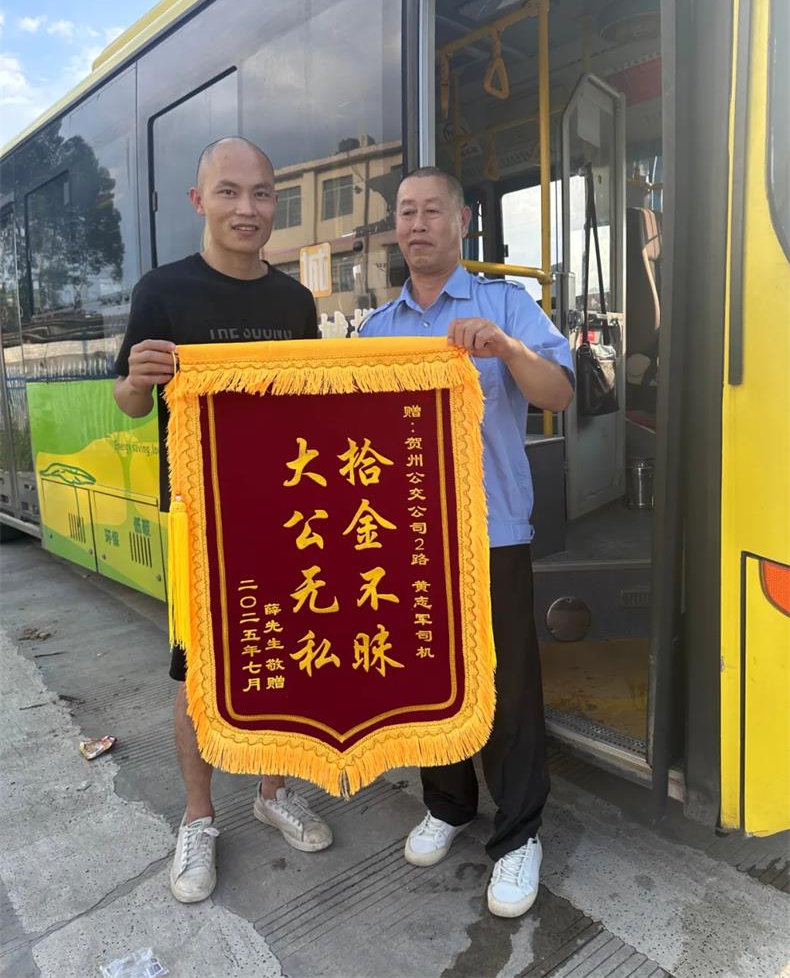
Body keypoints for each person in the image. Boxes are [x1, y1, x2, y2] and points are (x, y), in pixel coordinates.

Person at [113, 137, 333, 905]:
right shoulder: (162, 291)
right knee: (195, 673)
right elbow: (129, 401)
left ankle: (273, 791)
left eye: (262, 193)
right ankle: (199, 816)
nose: (248, 208)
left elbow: (311, 402)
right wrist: (137, 381)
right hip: (198, 524)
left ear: (276, 202)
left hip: (283, 514)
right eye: (230, 192)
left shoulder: (294, 302)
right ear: (199, 201)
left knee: (281, 657)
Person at [360, 167, 574, 918]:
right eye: (406, 213)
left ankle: (518, 835)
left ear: (461, 222)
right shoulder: (375, 330)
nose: (417, 224)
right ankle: (447, 804)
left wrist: (509, 349)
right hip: (406, 542)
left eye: (432, 211)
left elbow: (559, 393)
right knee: (426, 678)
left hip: (491, 531)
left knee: (507, 688)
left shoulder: (506, 305)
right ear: (396, 228)